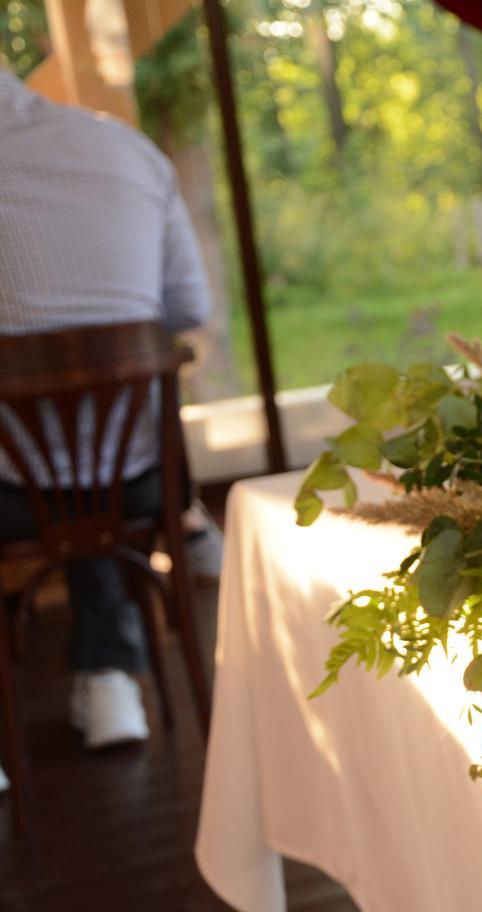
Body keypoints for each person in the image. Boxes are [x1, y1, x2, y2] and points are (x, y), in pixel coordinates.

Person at [0, 66, 213, 758]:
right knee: (76, 464)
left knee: (41, 459)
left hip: (14, 496)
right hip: (139, 481)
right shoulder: (123, 147)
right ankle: (109, 677)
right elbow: (190, 309)